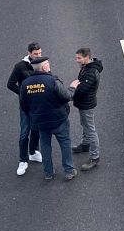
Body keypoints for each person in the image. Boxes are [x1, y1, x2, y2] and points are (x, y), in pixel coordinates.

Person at [21, 58, 75, 181]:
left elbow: (24, 105)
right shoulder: (52, 80)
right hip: (58, 119)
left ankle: (48, 172)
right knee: (65, 143)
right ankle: (69, 170)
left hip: (40, 122)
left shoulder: (25, 84)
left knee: (45, 145)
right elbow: (66, 96)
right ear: (45, 67)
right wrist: (72, 88)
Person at [8, 43, 46, 175]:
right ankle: (23, 160)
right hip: (25, 105)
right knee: (25, 132)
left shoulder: (42, 64)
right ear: (29, 53)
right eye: (36, 54)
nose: (38, 56)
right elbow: (10, 84)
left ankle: (33, 151)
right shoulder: (20, 67)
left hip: (38, 104)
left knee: (36, 129)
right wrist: (23, 92)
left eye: (40, 53)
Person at [69, 48, 102, 169]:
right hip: (84, 103)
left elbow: (82, 90)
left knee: (90, 130)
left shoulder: (90, 72)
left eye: (79, 58)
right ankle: (85, 144)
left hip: (86, 104)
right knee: (85, 124)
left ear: (87, 57)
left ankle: (95, 157)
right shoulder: (87, 67)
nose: (77, 60)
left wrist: (71, 90)